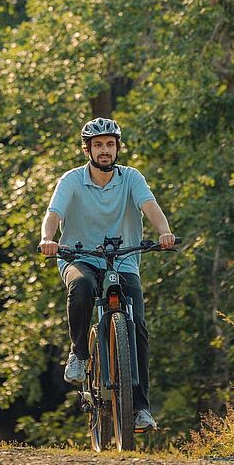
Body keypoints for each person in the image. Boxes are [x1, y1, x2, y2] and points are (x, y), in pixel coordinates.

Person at [39, 117, 176, 431]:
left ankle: (140, 408)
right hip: (79, 256)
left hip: (123, 261)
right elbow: (53, 214)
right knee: (82, 286)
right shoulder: (72, 180)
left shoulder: (131, 178)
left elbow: (150, 205)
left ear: (117, 148)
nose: (105, 150)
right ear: (87, 149)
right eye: (98, 145)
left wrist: (165, 232)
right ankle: (79, 354)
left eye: (110, 144)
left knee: (137, 324)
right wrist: (48, 238)